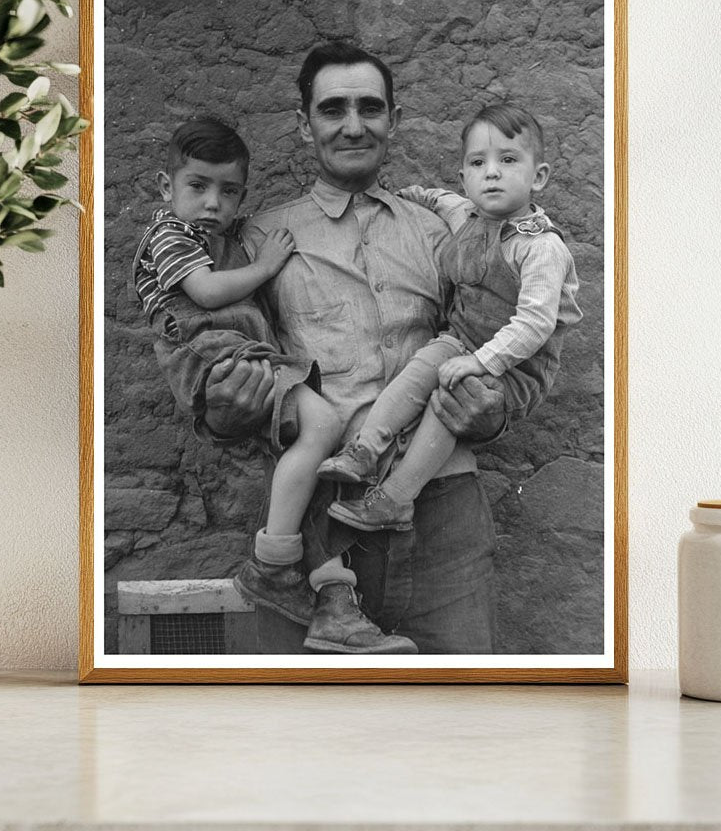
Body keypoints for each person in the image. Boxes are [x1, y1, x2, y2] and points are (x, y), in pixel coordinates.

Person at [202, 43, 560, 654]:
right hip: (318, 526)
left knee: (461, 704)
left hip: (443, 518)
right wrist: (223, 407)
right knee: (310, 713)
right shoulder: (261, 239)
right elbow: (222, 358)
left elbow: (518, 339)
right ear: (304, 124)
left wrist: (496, 408)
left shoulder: (451, 232)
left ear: (393, 120)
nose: (353, 125)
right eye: (332, 109)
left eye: (369, 108)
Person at [132, 118, 352, 637]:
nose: (213, 203)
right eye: (198, 186)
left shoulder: (215, 234)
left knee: (305, 456)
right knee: (323, 425)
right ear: (166, 187)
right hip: (212, 353)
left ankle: (325, 580)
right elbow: (206, 293)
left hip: (239, 352)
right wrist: (267, 265)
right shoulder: (170, 234)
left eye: (228, 192)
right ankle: (273, 564)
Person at [320, 101, 583, 532]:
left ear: (538, 177)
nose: (491, 173)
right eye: (478, 163)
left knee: (450, 400)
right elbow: (438, 199)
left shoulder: (540, 247)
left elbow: (535, 324)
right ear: (464, 179)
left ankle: (395, 499)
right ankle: (365, 449)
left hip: (516, 369)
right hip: (463, 339)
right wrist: (404, 197)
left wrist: (479, 362)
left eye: (508, 160)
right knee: (419, 368)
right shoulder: (467, 215)